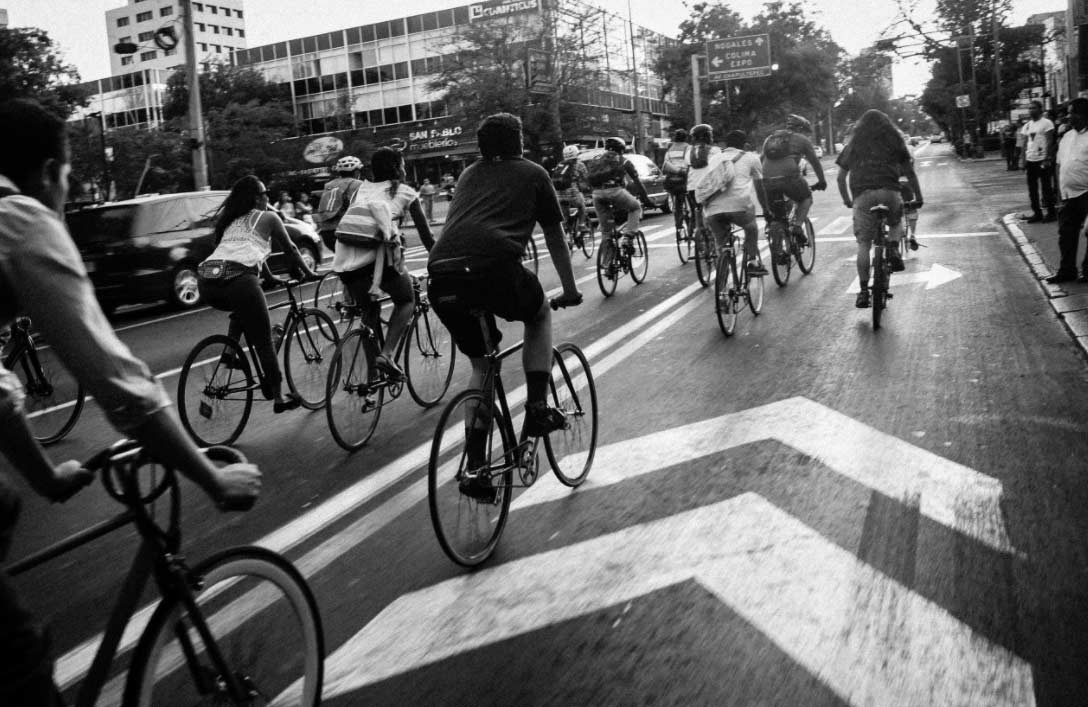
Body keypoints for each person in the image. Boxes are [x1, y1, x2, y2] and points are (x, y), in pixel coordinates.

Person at [0, 98, 262, 706]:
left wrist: (44, 476)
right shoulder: (20, 220)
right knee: (19, 666)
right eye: (67, 178)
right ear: (48, 172)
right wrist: (208, 477)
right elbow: (115, 381)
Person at [426, 113, 581, 500]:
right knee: (540, 311)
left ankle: (476, 467)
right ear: (519, 142)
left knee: (482, 365)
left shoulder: (466, 175)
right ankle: (539, 406)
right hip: (493, 267)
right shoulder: (533, 173)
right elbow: (555, 236)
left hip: (442, 274)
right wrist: (570, 288)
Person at [198, 175, 319, 412]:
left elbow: (243, 251)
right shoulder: (269, 217)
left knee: (243, 313)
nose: (268, 198)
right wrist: (309, 273)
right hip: (240, 281)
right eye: (265, 193)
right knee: (263, 340)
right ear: (257, 197)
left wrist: (271, 278)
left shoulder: (231, 221)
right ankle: (278, 398)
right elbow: (292, 249)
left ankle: (230, 355)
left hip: (208, 284)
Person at [334, 147, 435, 380]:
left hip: (345, 261)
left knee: (369, 311)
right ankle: (387, 354)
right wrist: (439, 259)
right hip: (374, 260)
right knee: (407, 299)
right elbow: (427, 237)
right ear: (398, 167)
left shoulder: (361, 188)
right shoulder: (407, 192)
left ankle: (372, 377)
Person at [835, 108, 923, 308]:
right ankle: (893, 248)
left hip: (862, 196)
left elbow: (840, 177)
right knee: (895, 222)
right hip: (889, 191)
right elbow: (909, 173)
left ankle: (864, 291)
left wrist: (847, 200)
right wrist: (918, 197)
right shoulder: (894, 141)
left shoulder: (853, 144)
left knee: (864, 244)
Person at [703, 129, 766, 276]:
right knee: (751, 228)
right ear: (745, 145)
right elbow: (760, 188)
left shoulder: (714, 158)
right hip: (740, 207)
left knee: (721, 243)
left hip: (712, 209)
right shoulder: (751, 158)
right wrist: (766, 209)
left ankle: (723, 279)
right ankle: (752, 262)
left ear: (726, 144)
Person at [760, 114, 828, 245]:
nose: (807, 136)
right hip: (789, 177)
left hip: (767, 179)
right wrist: (821, 181)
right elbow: (815, 162)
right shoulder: (802, 139)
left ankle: (778, 251)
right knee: (806, 198)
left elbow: (761, 160)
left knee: (777, 218)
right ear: (801, 129)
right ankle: (797, 227)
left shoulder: (770, 138)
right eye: (806, 132)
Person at [586, 136, 654, 251]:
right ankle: (628, 237)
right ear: (622, 149)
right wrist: (646, 199)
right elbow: (637, 182)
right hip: (615, 192)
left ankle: (607, 265)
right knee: (636, 207)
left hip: (597, 194)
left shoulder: (597, 160)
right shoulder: (624, 160)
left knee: (606, 232)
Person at [1048, 97, 1088, 283]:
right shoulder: (1066, 137)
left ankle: (1087, 270)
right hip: (1068, 195)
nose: (1068, 116)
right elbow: (1059, 164)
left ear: (1082, 115)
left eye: (1071, 112)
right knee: (1066, 234)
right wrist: (1058, 193)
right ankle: (1067, 270)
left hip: (1086, 193)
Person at [314, 156, 364, 252]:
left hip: (327, 233)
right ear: (357, 172)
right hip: (346, 232)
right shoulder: (358, 184)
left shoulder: (329, 185)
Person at [1020, 100, 1057, 223]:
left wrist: (1047, 158)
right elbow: (1025, 144)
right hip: (1031, 160)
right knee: (1032, 189)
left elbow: (1050, 141)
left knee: (1046, 188)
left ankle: (1051, 213)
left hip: (1042, 159)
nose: (1031, 110)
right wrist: (1023, 160)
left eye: (1034, 108)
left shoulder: (1047, 123)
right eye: (1030, 108)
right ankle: (1037, 213)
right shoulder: (1027, 125)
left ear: (1040, 109)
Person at [686, 124, 721, 236]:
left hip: (692, 188)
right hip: (708, 187)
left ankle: (698, 230)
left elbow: (687, 169)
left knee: (697, 207)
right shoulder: (715, 150)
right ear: (707, 137)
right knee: (714, 208)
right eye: (711, 135)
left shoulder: (688, 152)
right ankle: (713, 231)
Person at [552, 144, 590, 243]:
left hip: (559, 193)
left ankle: (566, 229)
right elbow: (586, 178)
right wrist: (588, 188)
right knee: (581, 206)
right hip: (572, 192)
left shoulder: (560, 164)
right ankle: (581, 225)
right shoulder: (579, 164)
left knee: (565, 213)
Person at [661, 128, 692, 234]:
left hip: (672, 181)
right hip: (684, 179)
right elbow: (690, 163)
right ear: (686, 137)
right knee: (691, 202)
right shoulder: (688, 148)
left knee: (677, 202)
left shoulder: (670, 149)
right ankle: (692, 225)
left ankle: (678, 224)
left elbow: (665, 164)